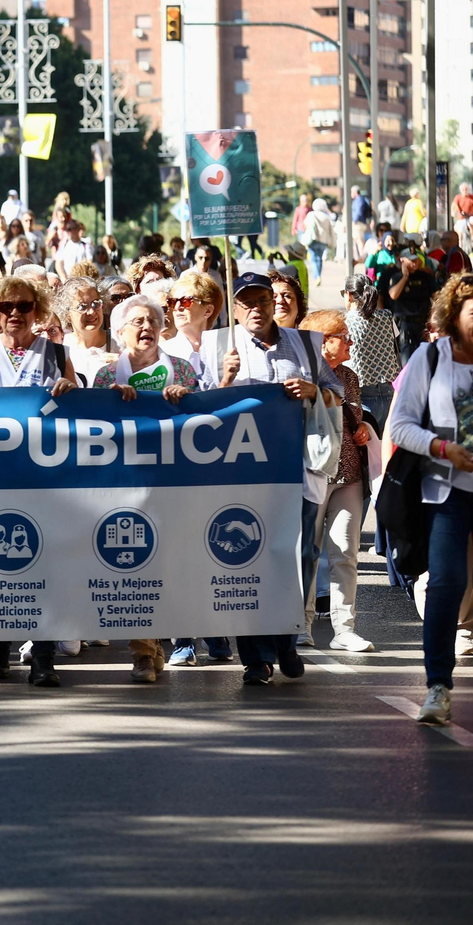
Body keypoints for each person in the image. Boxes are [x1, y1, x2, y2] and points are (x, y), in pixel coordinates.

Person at [201, 273, 343, 685]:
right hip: (241, 475)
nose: (257, 309)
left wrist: (314, 391)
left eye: (263, 299)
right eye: (246, 302)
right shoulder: (218, 347)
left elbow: (339, 393)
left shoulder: (306, 345)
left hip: (297, 467)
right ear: (236, 308)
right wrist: (224, 380)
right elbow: (196, 410)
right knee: (248, 558)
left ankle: (285, 638)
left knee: (298, 556)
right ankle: (256, 657)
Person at [0, 276, 79, 687]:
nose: (15, 314)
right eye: (6, 306)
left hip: (43, 478)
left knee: (45, 565)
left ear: (37, 310)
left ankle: (43, 656)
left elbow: (79, 409)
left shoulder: (58, 353)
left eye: (24, 306)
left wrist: (71, 390)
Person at [90, 295, 199, 684]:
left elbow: (205, 421)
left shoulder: (182, 370)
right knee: (135, 567)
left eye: (152, 320)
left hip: (172, 486)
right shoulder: (107, 376)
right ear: (119, 333)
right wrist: (113, 403)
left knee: (166, 570)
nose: (146, 327)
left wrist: (184, 401)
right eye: (136, 322)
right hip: (124, 486)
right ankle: (141, 653)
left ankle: (155, 648)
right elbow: (92, 428)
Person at [391, 276, 473, 724]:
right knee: (446, 582)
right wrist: (444, 449)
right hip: (448, 492)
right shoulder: (432, 357)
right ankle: (438, 686)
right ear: (455, 317)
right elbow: (401, 426)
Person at [297, 309, 375, 653]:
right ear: (322, 341)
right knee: (306, 553)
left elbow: (354, 414)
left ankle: (345, 628)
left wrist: (359, 428)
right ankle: (301, 626)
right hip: (312, 474)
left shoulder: (349, 375)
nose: (350, 341)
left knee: (345, 553)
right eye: (343, 336)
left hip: (349, 476)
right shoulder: (298, 377)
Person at [341, 274, 400, 425]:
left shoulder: (345, 322)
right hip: (389, 392)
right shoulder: (387, 316)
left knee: (369, 447)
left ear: (349, 295)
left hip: (361, 395)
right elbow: (395, 342)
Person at [161, 271, 225, 386]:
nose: (177, 307)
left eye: (185, 301)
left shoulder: (226, 351)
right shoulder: (162, 353)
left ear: (208, 310)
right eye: (173, 302)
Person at [55, 276, 115, 386]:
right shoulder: (61, 346)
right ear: (67, 314)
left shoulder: (119, 344)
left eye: (96, 304)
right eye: (82, 307)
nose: (91, 311)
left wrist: (125, 364)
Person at [388, 249, 436, 358]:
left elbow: (435, 297)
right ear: (402, 261)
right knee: (407, 359)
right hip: (406, 324)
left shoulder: (426, 276)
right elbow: (393, 295)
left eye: (416, 260)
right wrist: (405, 277)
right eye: (411, 260)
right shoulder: (396, 277)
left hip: (423, 323)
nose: (415, 263)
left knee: (426, 358)